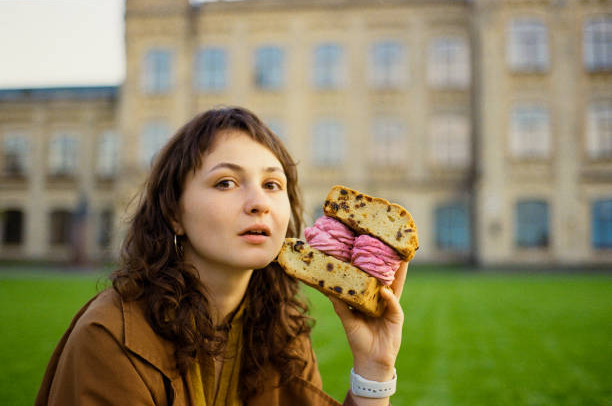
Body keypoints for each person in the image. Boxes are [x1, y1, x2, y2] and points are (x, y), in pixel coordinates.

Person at [35, 107, 408, 405]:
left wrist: (373, 371)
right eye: (225, 182)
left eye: (272, 184)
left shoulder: (282, 333)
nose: (259, 202)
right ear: (174, 214)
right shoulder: (113, 337)